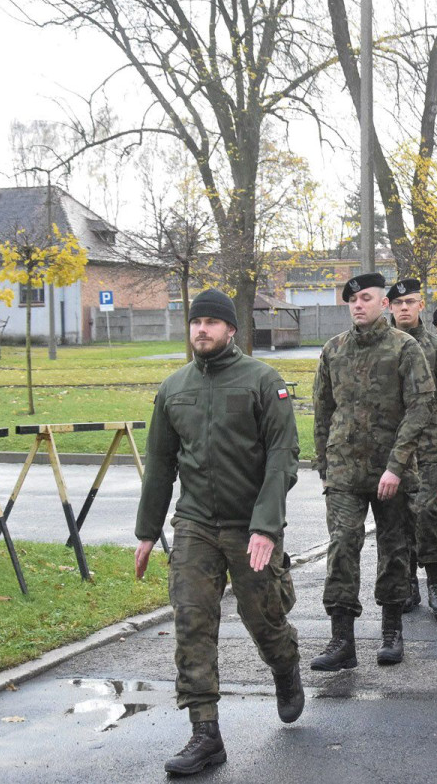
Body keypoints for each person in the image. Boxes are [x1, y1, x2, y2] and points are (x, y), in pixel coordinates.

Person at [134, 288, 302, 776]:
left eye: (211, 322)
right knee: (192, 624)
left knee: (264, 619)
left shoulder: (263, 382)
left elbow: (282, 457)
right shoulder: (174, 388)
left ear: (231, 329)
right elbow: (161, 465)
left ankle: (285, 665)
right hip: (194, 526)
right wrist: (148, 531)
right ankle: (205, 733)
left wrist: (266, 526)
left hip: (251, 525)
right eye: (195, 322)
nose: (201, 330)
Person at [310, 273, 435, 672]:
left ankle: (392, 631)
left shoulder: (404, 347)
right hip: (345, 470)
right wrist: (324, 464)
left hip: (391, 471)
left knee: (394, 548)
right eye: (353, 300)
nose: (358, 305)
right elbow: (323, 410)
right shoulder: (333, 350)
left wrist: (397, 465)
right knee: (342, 546)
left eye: (366, 298)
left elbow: (421, 407)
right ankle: (341, 639)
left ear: (384, 303)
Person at [388, 278, 437, 616]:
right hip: (391, 449)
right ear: (389, 307)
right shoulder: (382, 347)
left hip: (431, 448)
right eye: (398, 303)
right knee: (398, 520)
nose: (404, 308)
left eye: (411, 302)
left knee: (430, 516)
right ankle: (407, 585)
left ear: (422, 306)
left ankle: (435, 583)